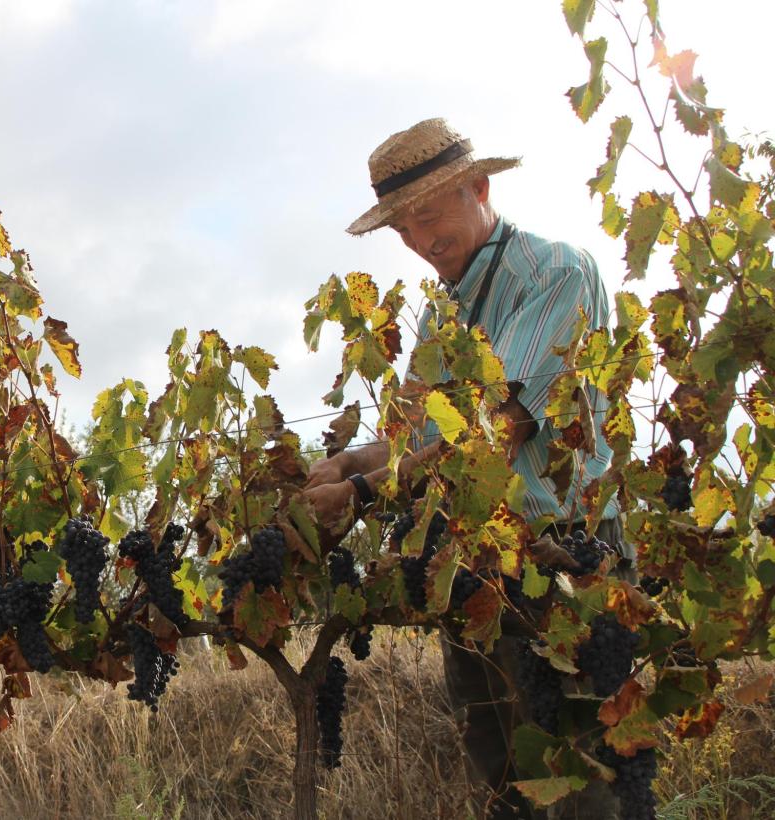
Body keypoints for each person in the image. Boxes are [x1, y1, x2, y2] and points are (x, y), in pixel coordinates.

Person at [305, 119, 630, 819]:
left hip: (562, 567)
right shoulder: (444, 313)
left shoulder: (552, 274)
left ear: (480, 188)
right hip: (478, 572)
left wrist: (364, 491)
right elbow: (417, 439)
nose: (421, 242)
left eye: (429, 215)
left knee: (584, 791)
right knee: (503, 780)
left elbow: (492, 437)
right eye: (403, 230)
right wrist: (344, 462)